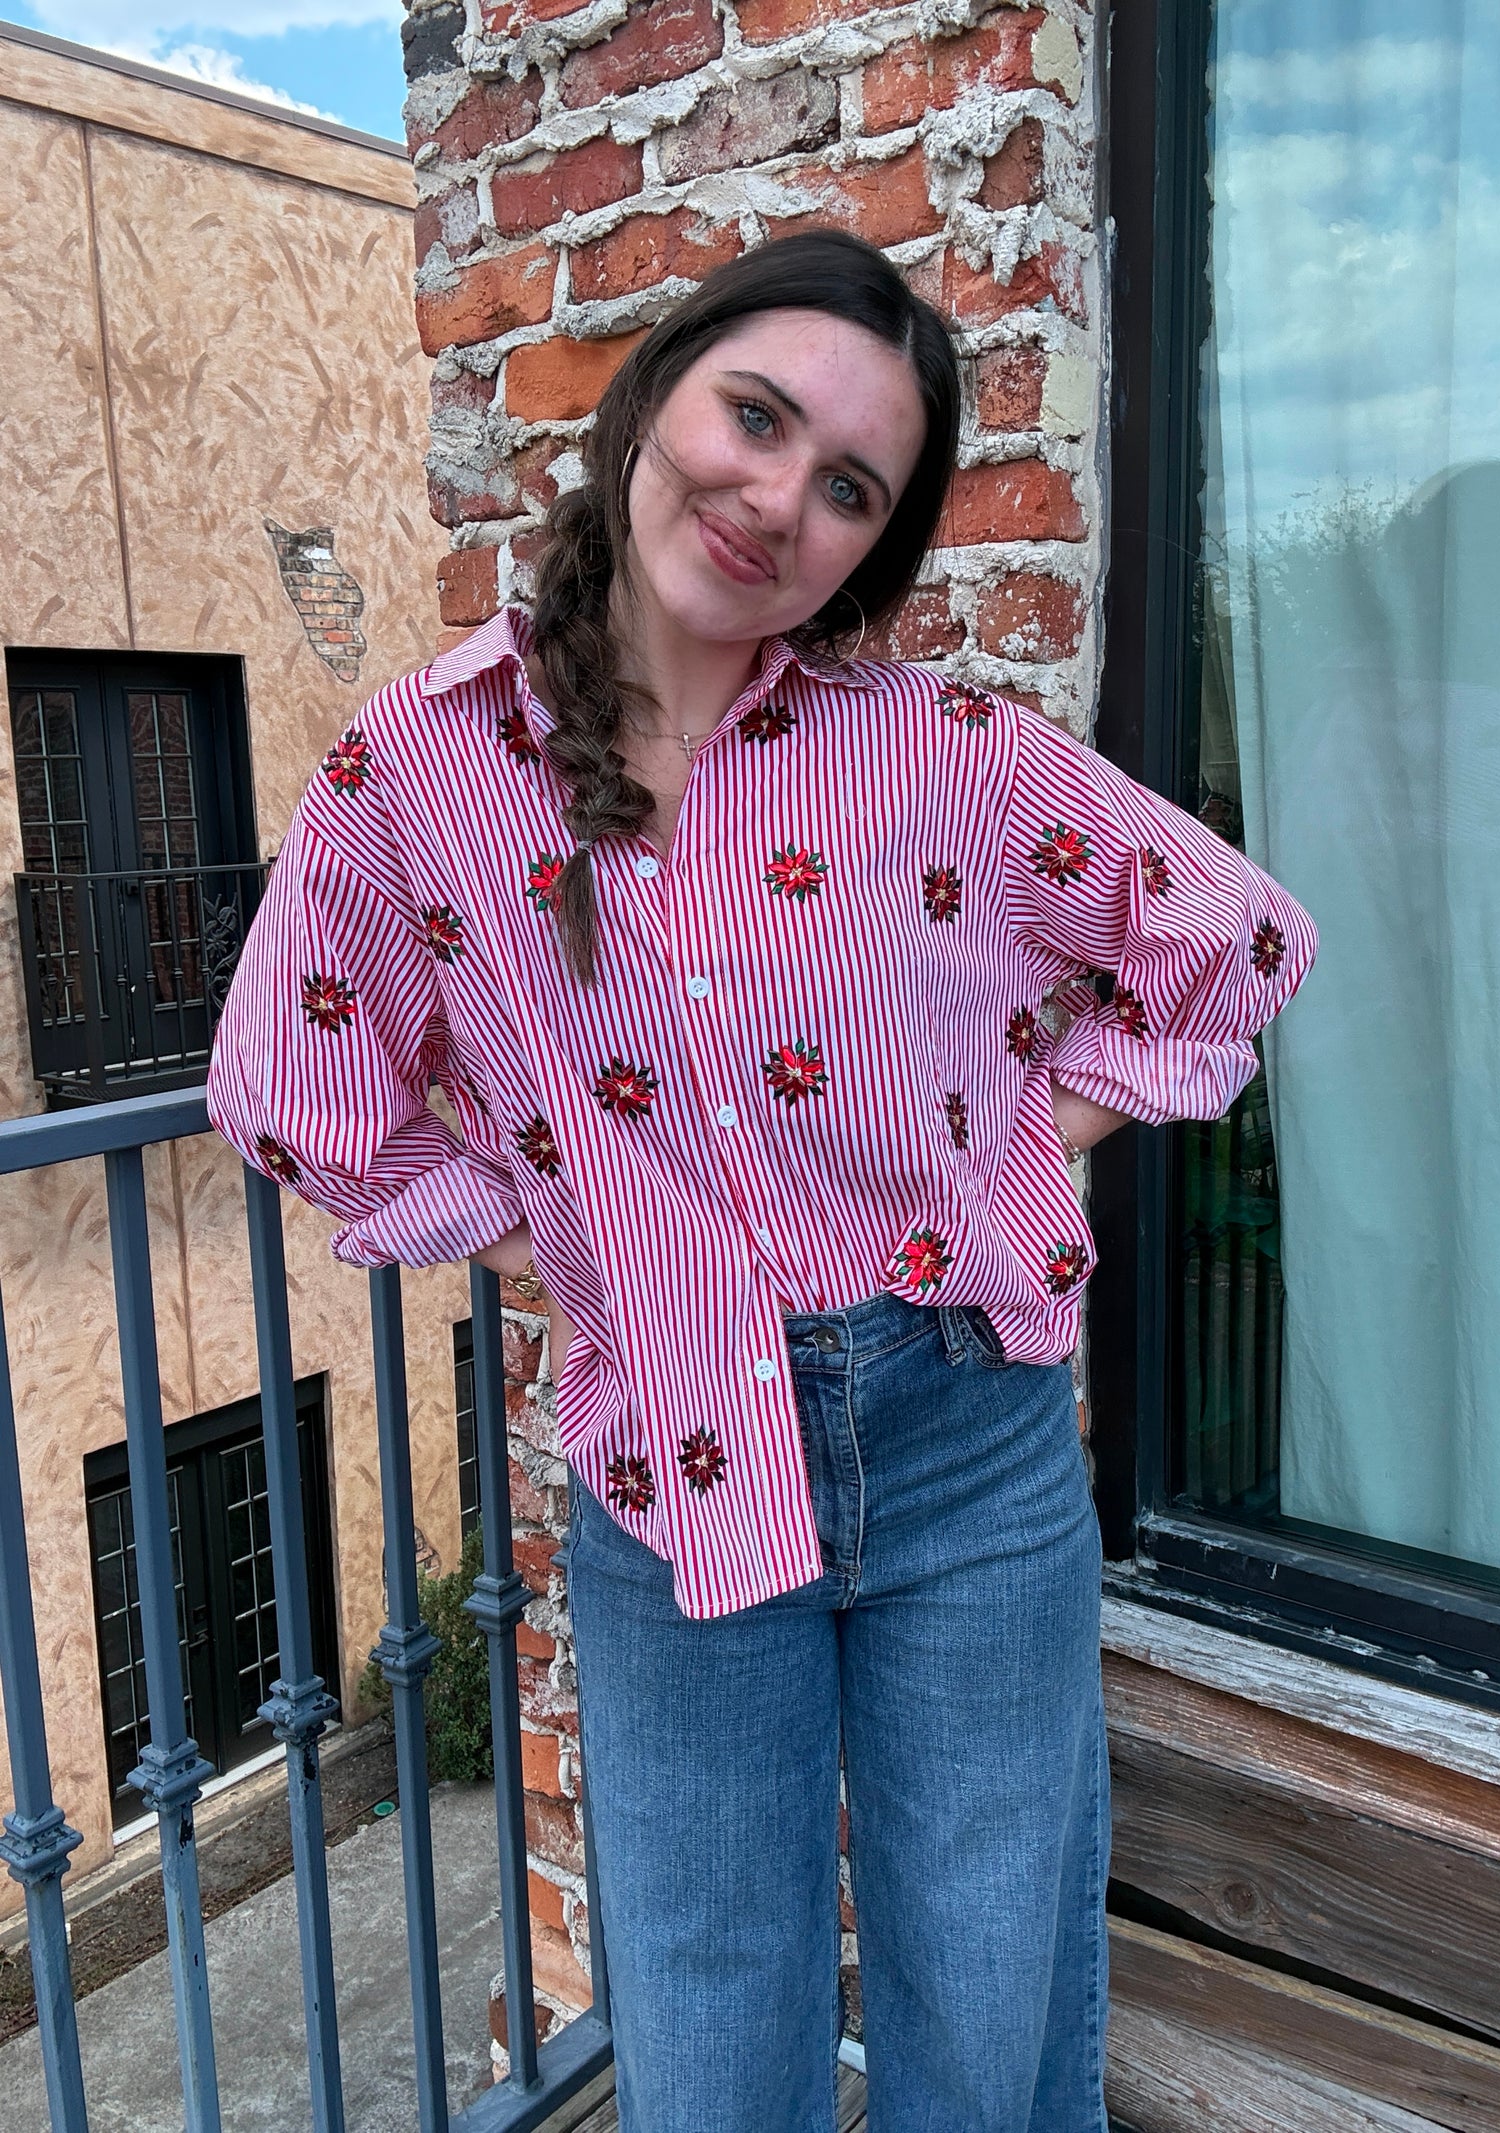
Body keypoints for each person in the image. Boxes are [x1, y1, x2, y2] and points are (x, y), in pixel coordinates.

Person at [207, 228, 1315, 2133]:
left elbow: (1230, 936)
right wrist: (568, 1219)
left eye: (851, 487)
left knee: (990, 2011)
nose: (780, 497)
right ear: (657, 394)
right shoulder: (423, 772)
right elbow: (293, 1088)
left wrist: (1027, 1139)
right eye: (759, 416)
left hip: (964, 1432)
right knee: (715, 2041)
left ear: (868, 551)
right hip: (672, 1452)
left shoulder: (943, 757)